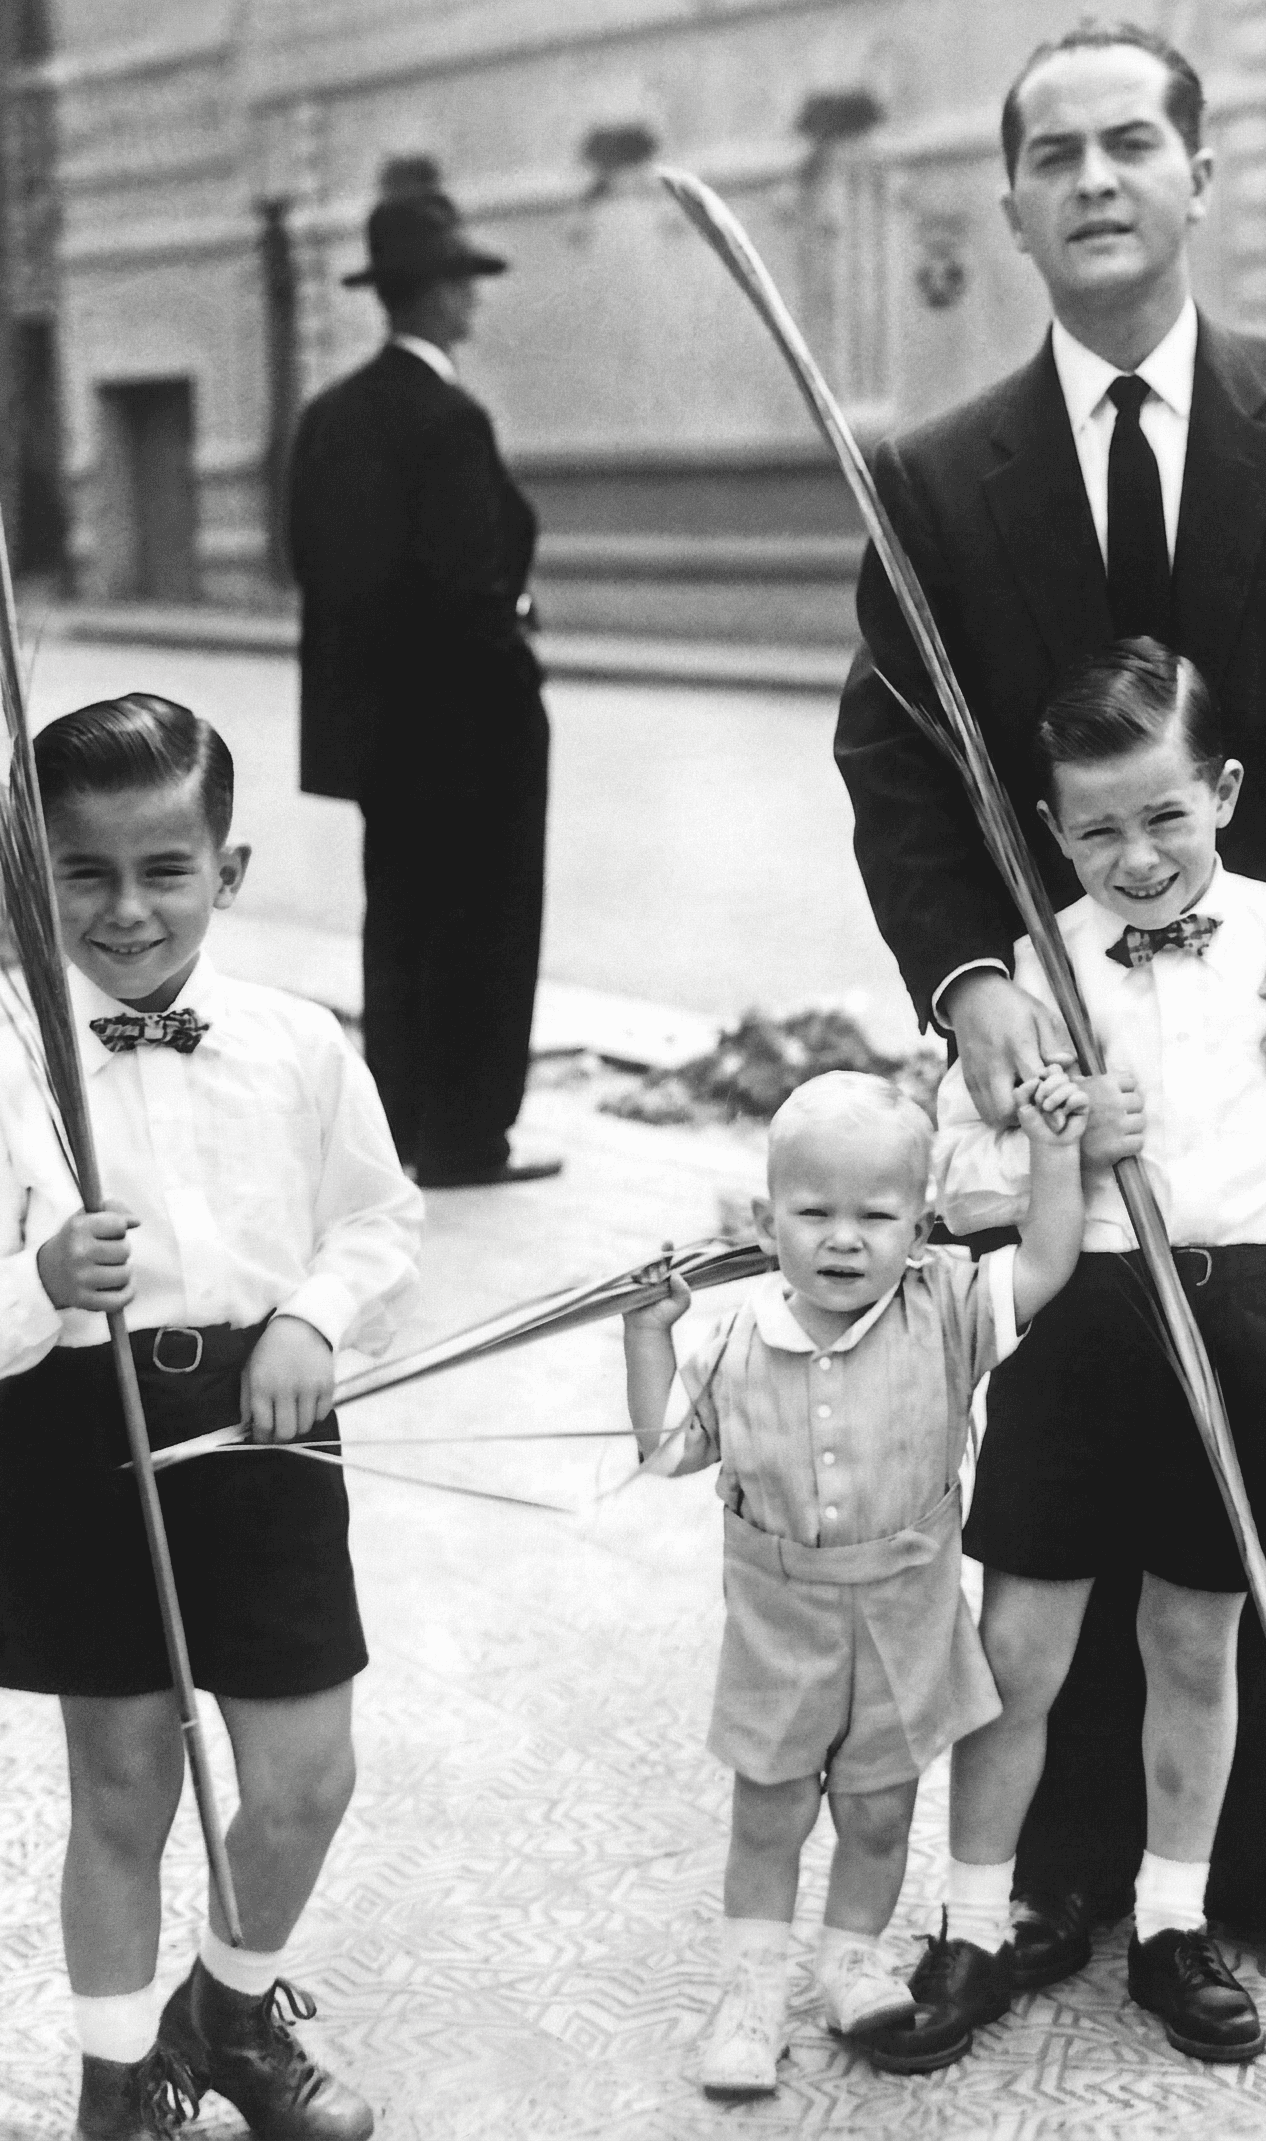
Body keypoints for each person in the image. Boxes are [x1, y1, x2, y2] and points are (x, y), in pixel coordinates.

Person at [833, 18, 1266, 1985]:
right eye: (1052, 154)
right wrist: (968, 975)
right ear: (1009, 203)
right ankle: (1061, 1870)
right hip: (1074, 1094)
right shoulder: (934, 476)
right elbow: (900, 771)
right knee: (1066, 1501)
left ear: (1198, 174)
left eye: (1129, 144)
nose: (1093, 179)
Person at [861, 640, 1266, 2072]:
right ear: (1055, 830)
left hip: (1243, 1333)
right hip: (1080, 1328)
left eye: (1166, 814)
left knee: (1196, 1639)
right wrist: (1059, 1138)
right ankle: (977, 1917)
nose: (1138, 854)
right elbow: (960, 1171)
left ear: (1225, 795)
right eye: (1100, 826)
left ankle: (1175, 1920)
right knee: (1022, 1645)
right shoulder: (1037, 970)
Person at [0, 694, 422, 2141]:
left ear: (227, 874)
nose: (126, 911)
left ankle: (229, 2015)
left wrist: (313, 1316)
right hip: (70, 1426)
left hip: (265, 1426)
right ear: (24, 869)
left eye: (164, 870)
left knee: (307, 1777)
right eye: (83, 871)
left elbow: (382, 1225)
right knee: (125, 1785)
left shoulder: (299, 1042)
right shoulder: (7, 1057)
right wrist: (41, 1281)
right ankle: (117, 2086)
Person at [621, 1065, 1089, 2101]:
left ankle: (850, 1959)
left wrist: (1055, 1150)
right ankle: (748, 1992)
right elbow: (661, 1449)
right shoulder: (733, 1344)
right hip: (778, 1626)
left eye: (875, 1215)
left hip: (904, 1620)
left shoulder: (950, 1309)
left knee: (879, 1813)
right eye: (812, 1211)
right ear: (764, 1217)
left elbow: (1049, 1256)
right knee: (770, 1812)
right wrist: (645, 1332)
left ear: (919, 1225)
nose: (843, 1237)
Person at [288, 158, 559, 1190]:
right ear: (439, 292)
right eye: (465, 281)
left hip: (382, 742)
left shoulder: (330, 416)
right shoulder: (450, 421)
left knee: (398, 926)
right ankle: (467, 1136)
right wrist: (517, 619)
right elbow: (470, 588)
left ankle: (398, 1123)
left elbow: (308, 564)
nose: (473, 298)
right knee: (486, 931)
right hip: (472, 735)